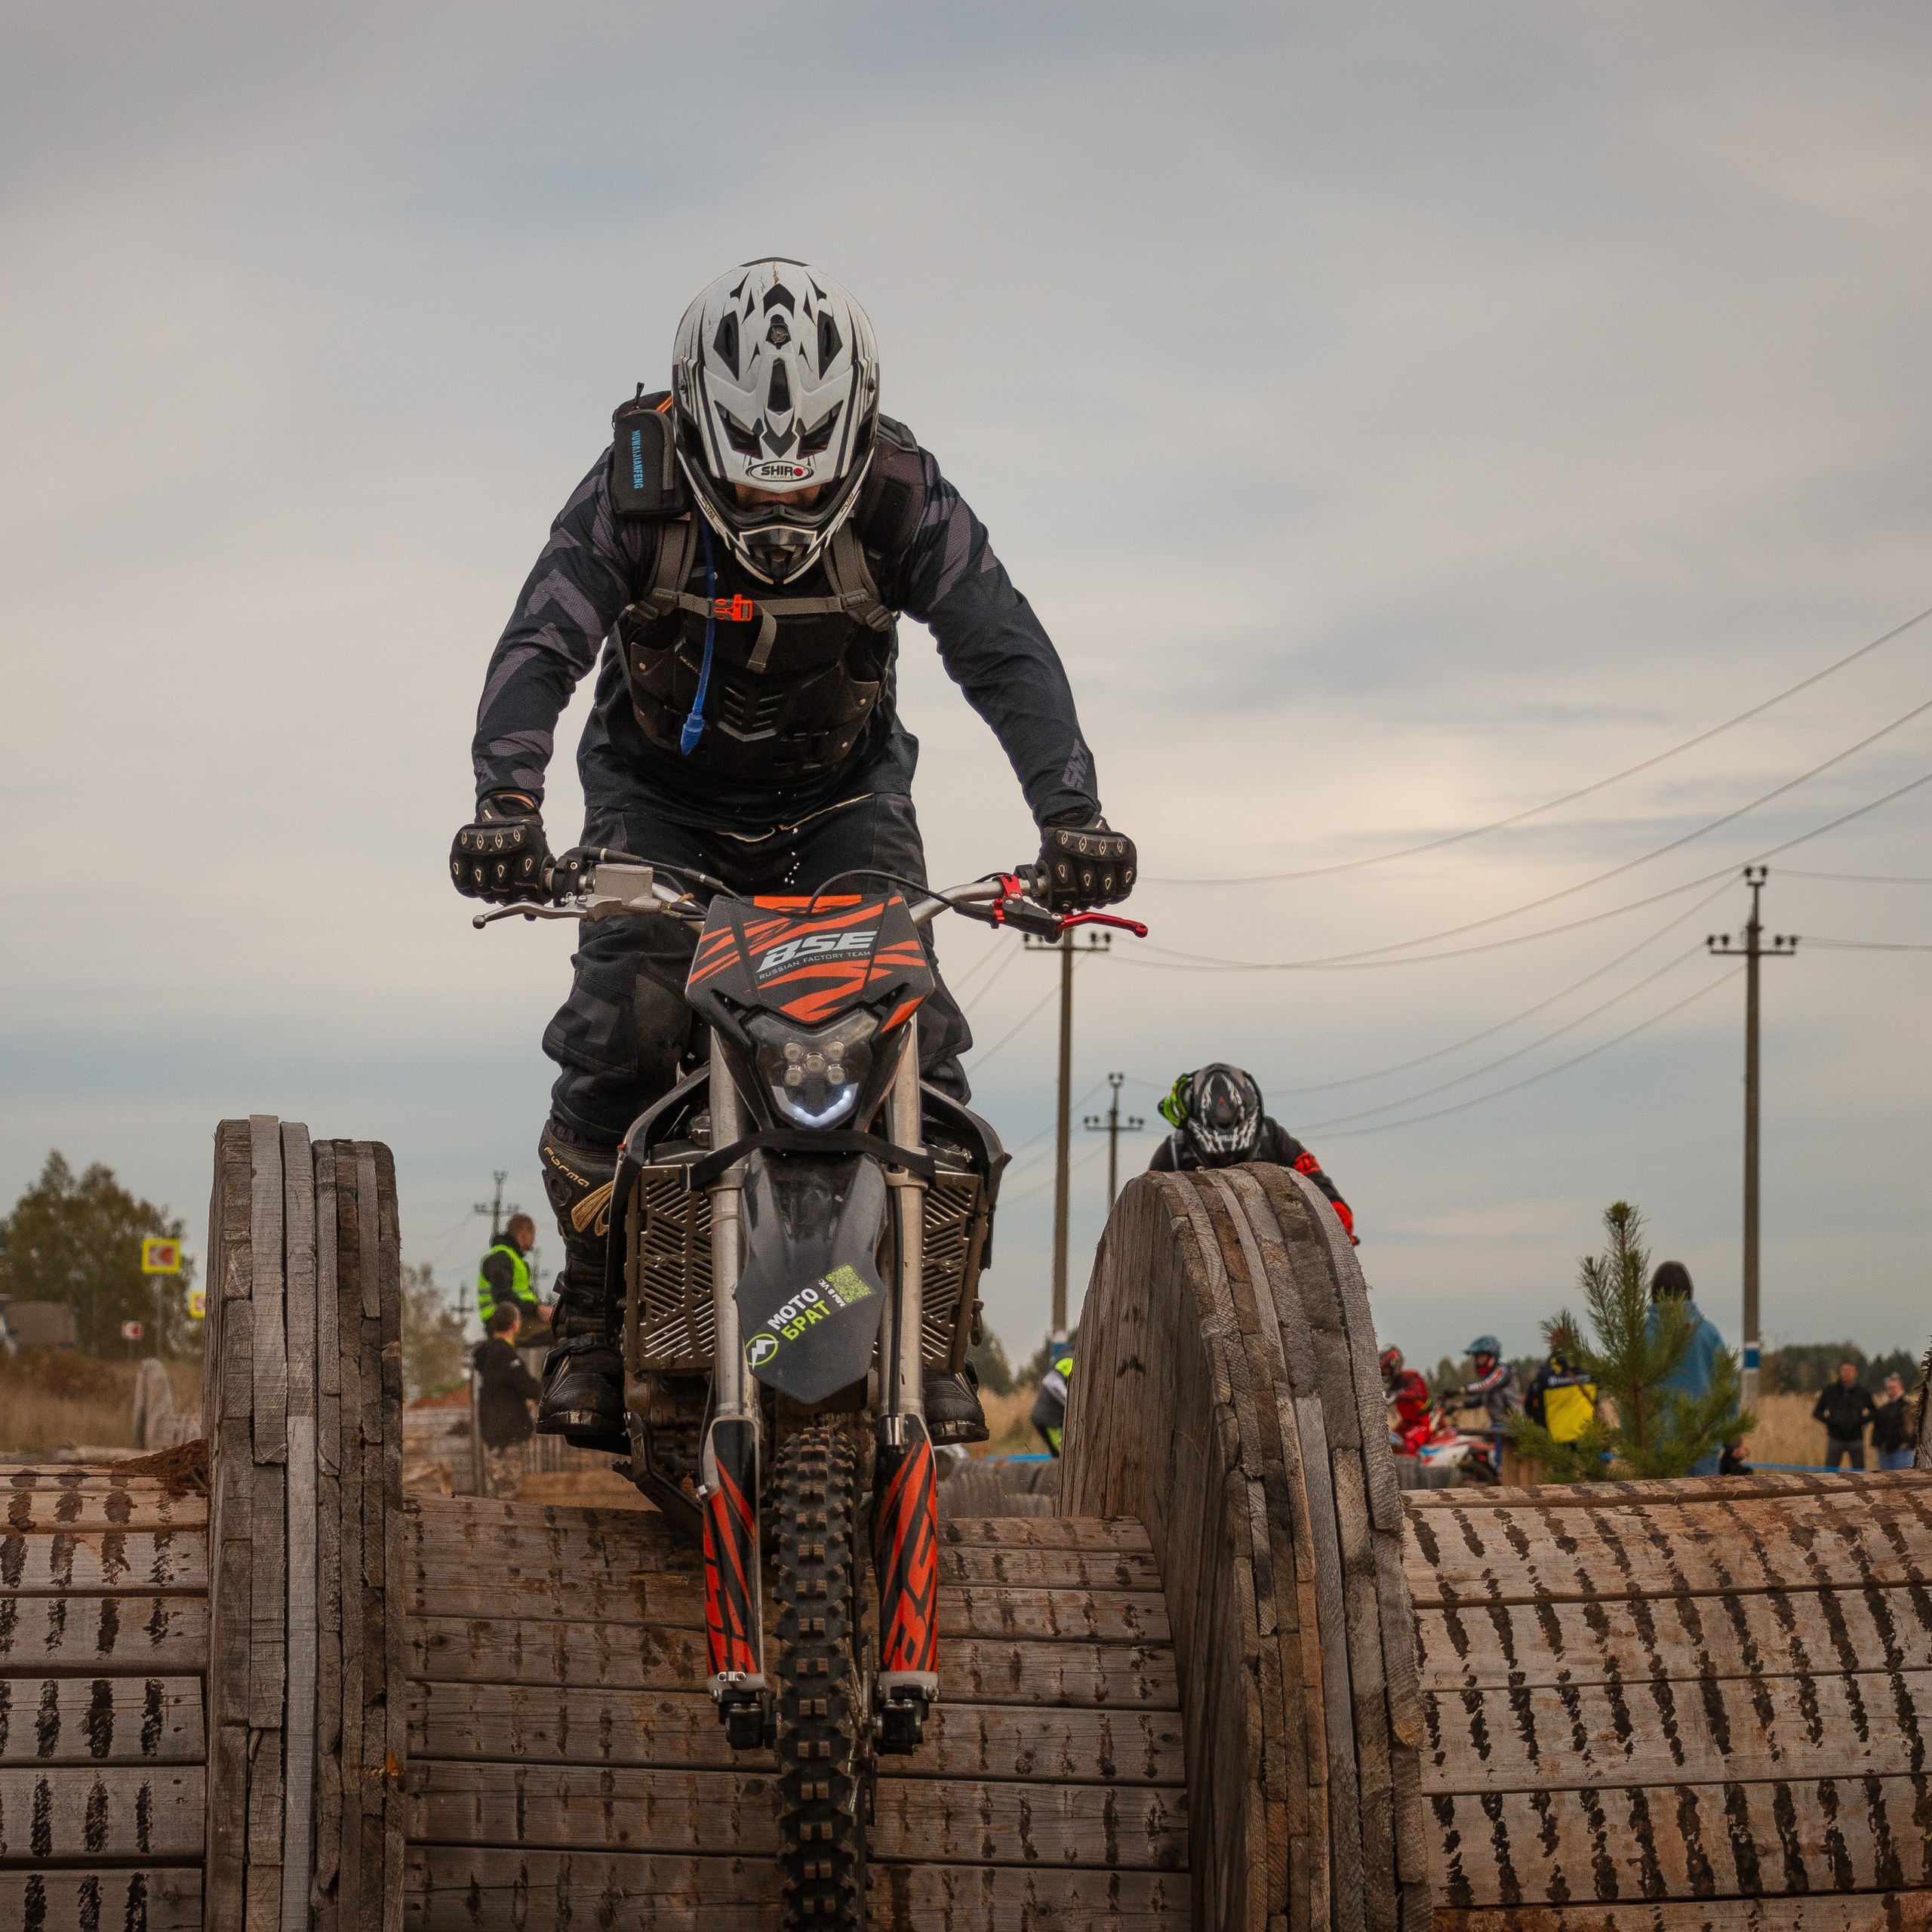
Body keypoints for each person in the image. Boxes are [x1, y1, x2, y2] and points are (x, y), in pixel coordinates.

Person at [449, 260, 1136, 1451]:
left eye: (805, 486)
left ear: (853, 435)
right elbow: (542, 641)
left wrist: (1073, 816)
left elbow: (1003, 646)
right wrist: (506, 804)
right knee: (623, 1020)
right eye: (750, 489)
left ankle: (935, 1320)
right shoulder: (630, 489)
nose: (780, 514)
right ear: (697, 435)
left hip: (841, 798)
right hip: (658, 796)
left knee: (921, 1035)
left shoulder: (906, 496)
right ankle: (594, 1308)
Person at [1149, 1065, 1356, 1241]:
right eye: (1219, 1158)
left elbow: (1317, 1182)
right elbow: (1145, 1208)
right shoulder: (1174, 1150)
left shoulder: (1271, 1136)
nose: (1228, 1162)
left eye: (1234, 1156)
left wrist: (1336, 1218)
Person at [1647, 1260, 1730, 1478]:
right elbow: (1727, 1388)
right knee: (1704, 1501)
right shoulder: (1708, 1334)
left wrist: (1633, 1442)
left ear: (1654, 1293)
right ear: (1689, 1292)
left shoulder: (1641, 1337)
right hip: (1703, 1444)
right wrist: (1732, 1437)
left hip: (1656, 1446)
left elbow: (1629, 1397)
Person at [473, 1304, 543, 1500]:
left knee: (496, 1491)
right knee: (507, 1494)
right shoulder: (504, 1355)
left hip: (494, 1434)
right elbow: (530, 1387)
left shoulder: (487, 1354)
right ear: (515, 1324)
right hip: (508, 1436)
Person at [476, 1214, 549, 1336]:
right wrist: (537, 1309)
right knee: (559, 1331)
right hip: (503, 1322)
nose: (534, 1240)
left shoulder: (513, 1258)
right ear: (524, 1233)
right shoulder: (501, 1258)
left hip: (516, 1317)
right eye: (533, 1234)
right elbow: (503, 1297)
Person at [1524, 1345, 1598, 1446]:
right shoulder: (1590, 1369)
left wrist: (1543, 1430)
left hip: (1558, 1442)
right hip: (1590, 1439)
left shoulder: (1545, 1374)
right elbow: (1596, 1403)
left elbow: (1530, 1407)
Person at [1814, 1359, 1878, 1471]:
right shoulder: (1830, 1391)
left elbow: (1874, 1412)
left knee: (1859, 1472)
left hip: (1855, 1438)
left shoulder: (1862, 1392)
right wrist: (1831, 1422)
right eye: (1844, 1370)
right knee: (1830, 1473)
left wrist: (1860, 1421)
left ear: (1856, 1373)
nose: (1847, 1373)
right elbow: (1817, 1412)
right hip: (1835, 1438)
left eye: (1850, 1371)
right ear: (1840, 1372)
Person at [1380, 1346, 1432, 1453]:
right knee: (1385, 1443)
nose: (1385, 1372)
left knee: (1408, 1448)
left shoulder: (1411, 1376)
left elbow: (1418, 1393)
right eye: (1383, 1370)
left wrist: (1396, 1396)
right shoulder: (1394, 1385)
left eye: (1386, 1368)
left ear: (1394, 1363)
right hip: (1406, 1425)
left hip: (1421, 1425)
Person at [1032, 1337, 1075, 1457]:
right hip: (1050, 1421)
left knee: (1062, 1456)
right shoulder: (1070, 1359)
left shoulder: (1066, 1355)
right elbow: (1051, 1381)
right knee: (1065, 1456)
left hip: (1049, 1418)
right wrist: (1073, 1403)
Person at [1871, 1372, 1915, 1472]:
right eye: (1888, 1388)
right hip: (1884, 1452)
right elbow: (1876, 1427)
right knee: (1885, 1479)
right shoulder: (1882, 1409)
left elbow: (1917, 1429)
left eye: (1894, 1388)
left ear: (1901, 1388)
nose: (1891, 1391)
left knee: (1903, 1478)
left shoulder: (1909, 1407)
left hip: (1902, 1451)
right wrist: (1877, 1442)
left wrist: (1910, 1443)